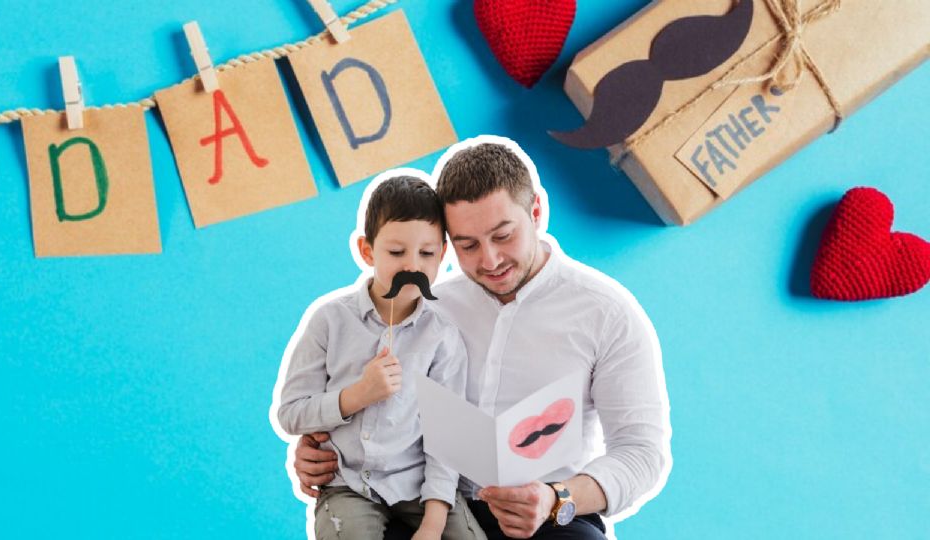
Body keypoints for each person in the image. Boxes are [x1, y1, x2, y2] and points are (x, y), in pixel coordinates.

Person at [289, 137, 672, 539]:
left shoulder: (606, 313)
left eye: (503, 236)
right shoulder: (423, 308)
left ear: (537, 212)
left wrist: (556, 498)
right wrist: (320, 449)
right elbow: (368, 398)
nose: (489, 261)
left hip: (549, 514)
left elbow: (641, 453)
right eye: (467, 245)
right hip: (423, 504)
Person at [273, 175, 487, 540]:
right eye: (396, 252)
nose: (412, 266)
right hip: (347, 485)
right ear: (367, 251)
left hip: (419, 486)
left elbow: (446, 440)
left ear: (443, 255)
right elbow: (291, 414)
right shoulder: (329, 321)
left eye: (427, 253)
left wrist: (433, 524)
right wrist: (358, 395)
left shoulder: (442, 338)